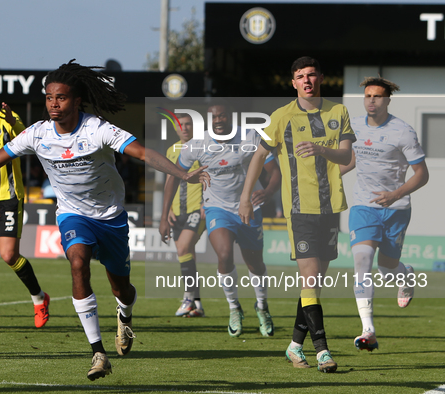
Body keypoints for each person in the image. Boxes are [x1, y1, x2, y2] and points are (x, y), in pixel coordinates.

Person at [0, 60, 206, 379]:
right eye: (49, 97)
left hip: (111, 217)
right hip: (72, 215)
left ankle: (125, 314)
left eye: (61, 98)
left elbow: (142, 153)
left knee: (121, 288)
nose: (53, 103)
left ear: (77, 101)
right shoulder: (37, 134)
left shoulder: (98, 129)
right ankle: (98, 352)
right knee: (77, 262)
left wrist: (182, 173)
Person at [238, 56, 356, 373]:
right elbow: (259, 156)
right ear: (293, 82)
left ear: (321, 79)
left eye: (312, 75)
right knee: (310, 279)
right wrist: (246, 197)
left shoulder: (339, 111)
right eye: (300, 76)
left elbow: (348, 156)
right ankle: (323, 352)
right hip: (299, 210)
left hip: (331, 208)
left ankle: (293, 346)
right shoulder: (281, 117)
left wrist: (322, 152)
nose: (306, 80)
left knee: (313, 286)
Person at [160, 103, 280, 337]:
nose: (218, 120)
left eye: (222, 115)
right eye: (213, 117)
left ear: (230, 117)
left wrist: (267, 192)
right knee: (224, 255)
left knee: (255, 264)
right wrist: (164, 215)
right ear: (208, 120)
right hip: (217, 209)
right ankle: (234, 308)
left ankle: (262, 307)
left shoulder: (250, 137)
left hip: (249, 208)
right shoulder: (197, 145)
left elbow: (274, 171)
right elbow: (174, 177)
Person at [340, 77, 429, 352]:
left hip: (396, 209)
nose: (371, 101)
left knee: (388, 269)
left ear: (388, 100)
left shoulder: (403, 131)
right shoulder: (353, 125)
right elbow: (353, 159)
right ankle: (368, 330)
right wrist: (327, 175)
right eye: (367, 96)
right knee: (362, 261)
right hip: (363, 207)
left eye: (377, 96)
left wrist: (395, 194)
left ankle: (405, 276)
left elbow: (422, 174)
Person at [0, 76, 49, 333]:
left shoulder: (7, 119)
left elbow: (28, 139)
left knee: (8, 255)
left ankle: (39, 298)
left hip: (9, 196)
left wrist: (11, 121)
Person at [161, 113, 207, 317]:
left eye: (189, 124)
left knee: (184, 248)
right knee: (187, 255)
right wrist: (168, 208)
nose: (185, 128)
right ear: (175, 128)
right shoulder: (172, 149)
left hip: (197, 208)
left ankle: (188, 298)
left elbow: (210, 174)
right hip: (177, 210)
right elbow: (170, 178)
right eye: (181, 125)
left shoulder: (202, 146)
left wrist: (207, 201)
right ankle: (197, 304)